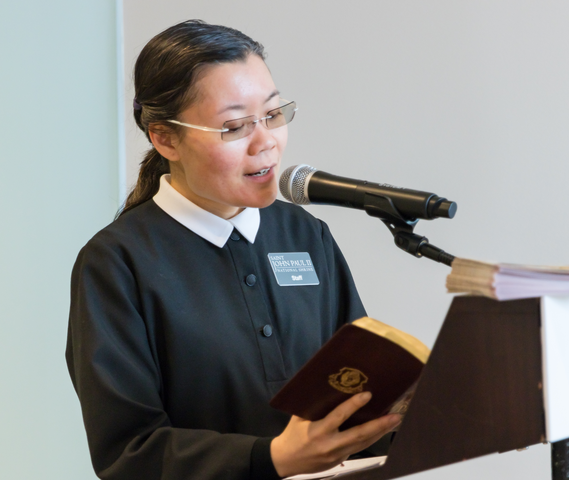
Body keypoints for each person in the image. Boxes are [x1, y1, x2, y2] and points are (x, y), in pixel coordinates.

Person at [65, 20, 400, 480]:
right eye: (234, 126)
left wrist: (412, 411)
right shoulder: (118, 263)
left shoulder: (305, 235)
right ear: (164, 137)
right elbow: (128, 452)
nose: (266, 142)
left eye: (273, 114)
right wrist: (274, 459)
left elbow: (353, 391)